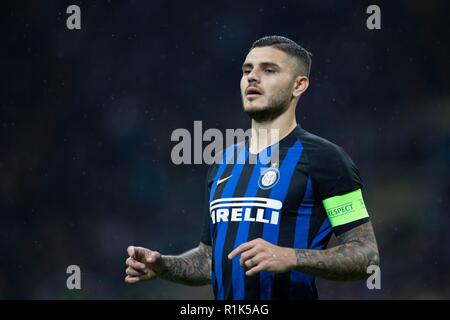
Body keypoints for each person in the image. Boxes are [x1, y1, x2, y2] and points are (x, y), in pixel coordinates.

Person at [125, 35, 380, 300]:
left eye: (268, 70)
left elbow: (366, 256)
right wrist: (163, 265)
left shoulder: (326, 160)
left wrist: (292, 256)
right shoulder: (222, 163)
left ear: (299, 85)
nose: (252, 77)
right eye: (247, 70)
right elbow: (209, 260)